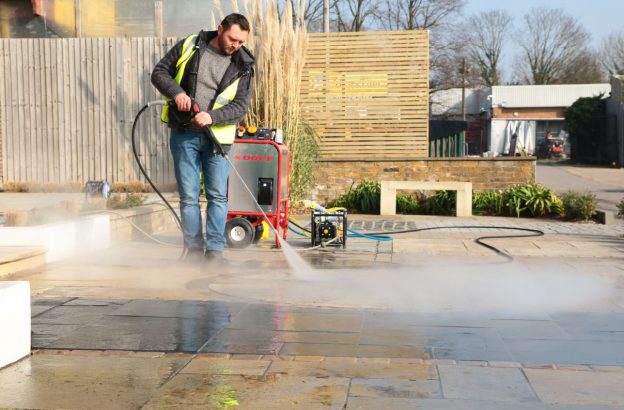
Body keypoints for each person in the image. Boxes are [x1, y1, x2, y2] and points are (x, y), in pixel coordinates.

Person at [151, 13, 255, 262]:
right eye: (232, 39)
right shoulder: (190, 45)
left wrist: (212, 117)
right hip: (184, 133)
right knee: (188, 196)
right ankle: (194, 250)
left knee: (217, 196)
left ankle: (216, 251)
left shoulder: (244, 65)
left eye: (241, 42)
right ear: (220, 29)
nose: (235, 46)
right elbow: (159, 73)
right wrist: (176, 93)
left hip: (217, 141)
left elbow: (241, 106)